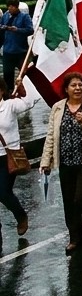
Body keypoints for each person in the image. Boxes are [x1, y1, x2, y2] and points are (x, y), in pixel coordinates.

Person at [40, 72, 82, 253]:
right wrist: (46, 161)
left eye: (80, 85)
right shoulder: (57, 108)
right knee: (69, 202)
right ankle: (76, 238)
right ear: (66, 89)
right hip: (66, 162)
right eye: (73, 86)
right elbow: (51, 136)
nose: (77, 88)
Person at [0, 78, 33, 237]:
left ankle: (20, 215)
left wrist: (21, 87)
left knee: (3, 192)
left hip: (8, 157)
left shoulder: (10, 106)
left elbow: (28, 103)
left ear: (1, 91)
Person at [2, 0, 33, 91]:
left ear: (17, 7)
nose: (10, 8)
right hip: (8, 50)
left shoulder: (24, 17)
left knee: (24, 74)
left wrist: (17, 30)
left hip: (21, 51)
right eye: (9, 6)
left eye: (12, 6)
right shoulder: (5, 16)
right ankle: (9, 93)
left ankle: (26, 92)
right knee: (7, 73)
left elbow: (30, 30)